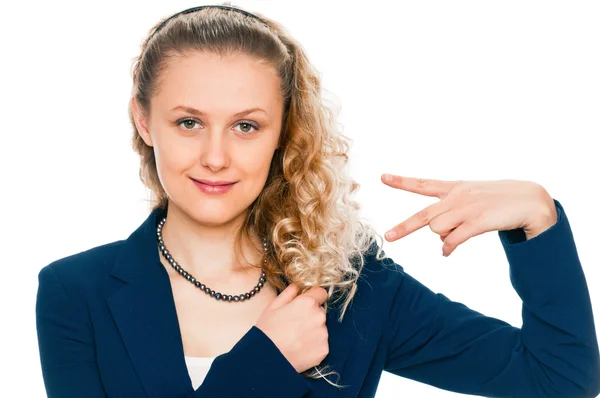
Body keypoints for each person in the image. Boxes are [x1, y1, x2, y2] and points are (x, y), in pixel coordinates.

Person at [35, 3, 600, 397]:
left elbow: (560, 380)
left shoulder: (355, 287)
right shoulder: (75, 294)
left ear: (282, 131)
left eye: (246, 127)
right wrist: (266, 361)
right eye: (188, 122)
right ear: (144, 120)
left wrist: (537, 220)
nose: (214, 156)